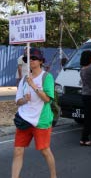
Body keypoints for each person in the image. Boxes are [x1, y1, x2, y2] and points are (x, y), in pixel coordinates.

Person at [11, 48, 56, 178]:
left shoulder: (47, 77)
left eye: (34, 58)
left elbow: (47, 99)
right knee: (18, 151)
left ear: (41, 61)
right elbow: (18, 101)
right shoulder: (24, 79)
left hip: (40, 121)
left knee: (45, 151)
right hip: (24, 119)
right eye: (28, 59)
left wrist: (34, 86)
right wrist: (25, 99)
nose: (31, 60)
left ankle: (53, 176)